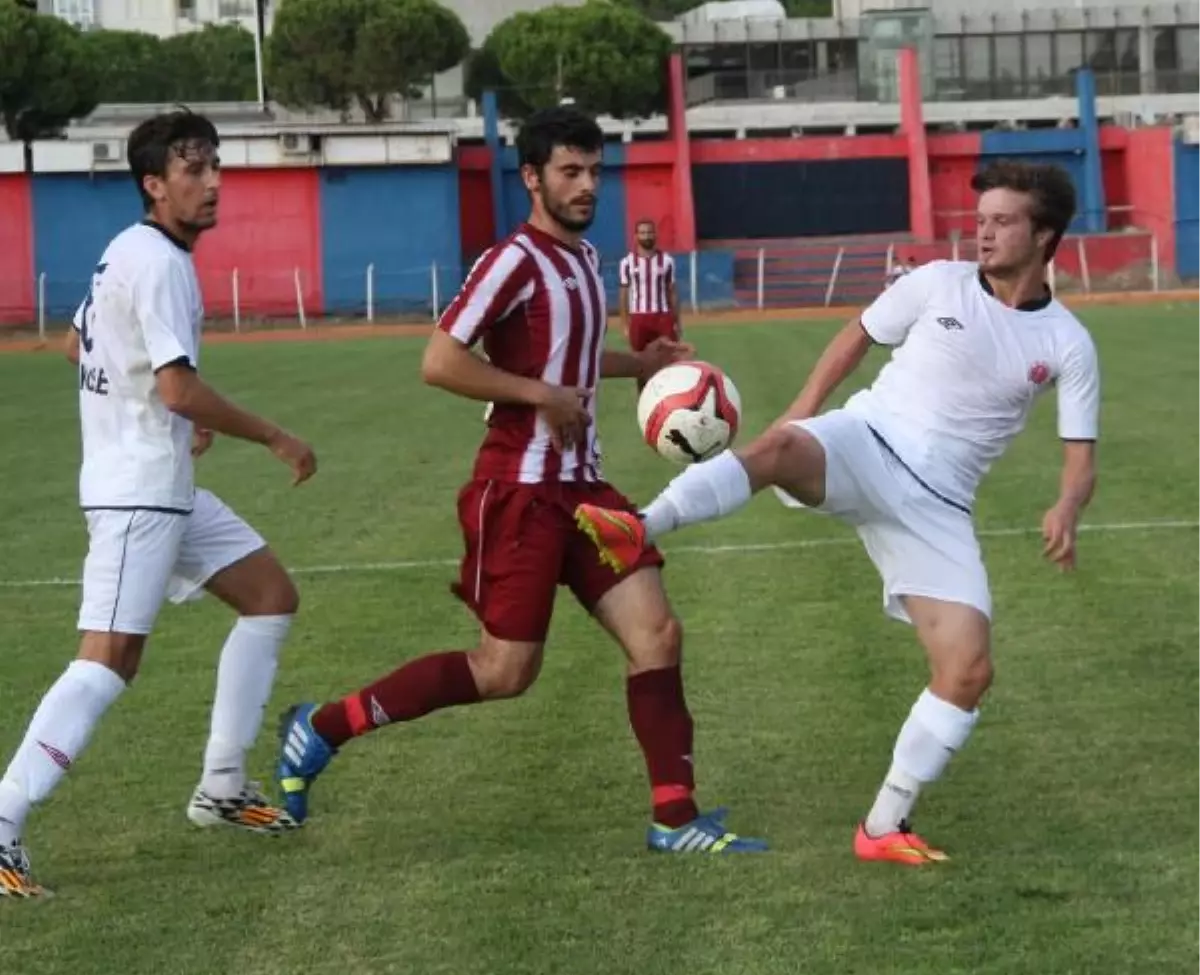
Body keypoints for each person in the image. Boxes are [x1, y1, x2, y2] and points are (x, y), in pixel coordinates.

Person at [576, 160, 1099, 865]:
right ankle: (637, 525)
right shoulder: (936, 282)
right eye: (980, 220)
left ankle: (882, 828)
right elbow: (856, 336)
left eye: (1002, 222)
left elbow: (1080, 455)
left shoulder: (1067, 342)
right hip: (867, 440)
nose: (984, 233)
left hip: (937, 507)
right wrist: (801, 411)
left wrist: (1066, 505)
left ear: (1045, 235)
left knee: (968, 670)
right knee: (783, 447)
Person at [275, 106, 766, 855]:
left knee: (657, 633)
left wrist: (644, 364)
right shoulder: (512, 260)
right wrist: (539, 397)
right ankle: (321, 727)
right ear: (532, 177)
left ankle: (675, 820)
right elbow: (439, 360)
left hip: (584, 489)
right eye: (570, 171)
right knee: (505, 670)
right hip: (520, 490)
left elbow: (568, 360)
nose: (587, 186)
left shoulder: (582, 261)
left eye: (595, 171)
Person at [0, 111, 317, 899]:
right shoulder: (163, 264)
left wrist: (167, 417)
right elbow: (174, 385)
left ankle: (221, 785)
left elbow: (80, 343)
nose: (210, 182)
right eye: (191, 169)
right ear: (153, 183)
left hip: (161, 486)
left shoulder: (128, 250)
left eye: (214, 166)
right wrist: (271, 435)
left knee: (270, 597)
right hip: (136, 494)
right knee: (107, 661)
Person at [618, 219, 681, 389]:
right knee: (640, 364)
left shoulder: (667, 261)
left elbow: (672, 292)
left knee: (669, 361)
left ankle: (670, 401)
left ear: (655, 234)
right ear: (636, 236)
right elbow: (624, 293)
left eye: (650, 232)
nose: (647, 236)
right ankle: (644, 404)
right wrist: (625, 323)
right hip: (639, 319)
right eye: (643, 232)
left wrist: (677, 322)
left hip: (663, 317)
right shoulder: (627, 263)